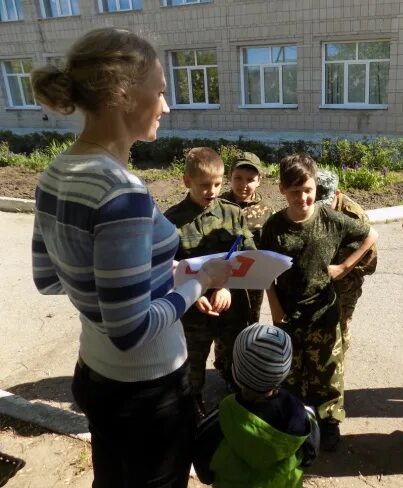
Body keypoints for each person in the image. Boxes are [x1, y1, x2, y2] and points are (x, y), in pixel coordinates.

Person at [30, 27, 231, 487]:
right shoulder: (121, 193)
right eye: (160, 91)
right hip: (148, 390)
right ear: (123, 92)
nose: (166, 105)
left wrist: (164, 273)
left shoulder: (56, 172)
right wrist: (199, 282)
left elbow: (50, 278)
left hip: (96, 375)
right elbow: (131, 330)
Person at [259, 154, 378, 451]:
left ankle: (328, 420)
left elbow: (370, 234)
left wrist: (344, 268)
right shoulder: (274, 226)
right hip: (288, 312)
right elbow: (264, 269)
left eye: (308, 189)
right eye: (295, 191)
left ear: (316, 187)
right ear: (282, 190)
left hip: (324, 311)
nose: (303, 197)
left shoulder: (330, 220)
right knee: (291, 369)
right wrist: (273, 304)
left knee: (327, 368)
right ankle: (296, 417)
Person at [165, 147, 255, 413]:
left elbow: (247, 256)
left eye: (217, 184)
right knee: (192, 369)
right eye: (204, 185)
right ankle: (193, 412)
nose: (212, 191)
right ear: (186, 181)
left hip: (230, 308)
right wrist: (197, 293)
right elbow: (167, 268)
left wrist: (227, 286)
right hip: (194, 310)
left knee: (234, 363)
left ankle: (236, 408)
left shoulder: (233, 213)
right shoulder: (171, 222)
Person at [208, 323, 320, 487]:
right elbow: (309, 457)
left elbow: (205, 471)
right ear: (285, 372)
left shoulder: (219, 420)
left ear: (234, 372)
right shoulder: (303, 417)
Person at [315, 170, 378, 353]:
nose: (321, 209)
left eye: (325, 204)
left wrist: (343, 269)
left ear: (336, 194)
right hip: (321, 275)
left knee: (339, 327)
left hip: (346, 282)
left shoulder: (353, 215)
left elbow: (369, 259)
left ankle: (338, 367)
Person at [221, 151, 274, 323]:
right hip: (222, 277)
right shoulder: (218, 206)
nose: (244, 184)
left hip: (253, 280)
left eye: (250, 179)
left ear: (259, 180)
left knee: (250, 323)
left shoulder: (267, 212)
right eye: (238, 178)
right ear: (229, 176)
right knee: (224, 325)